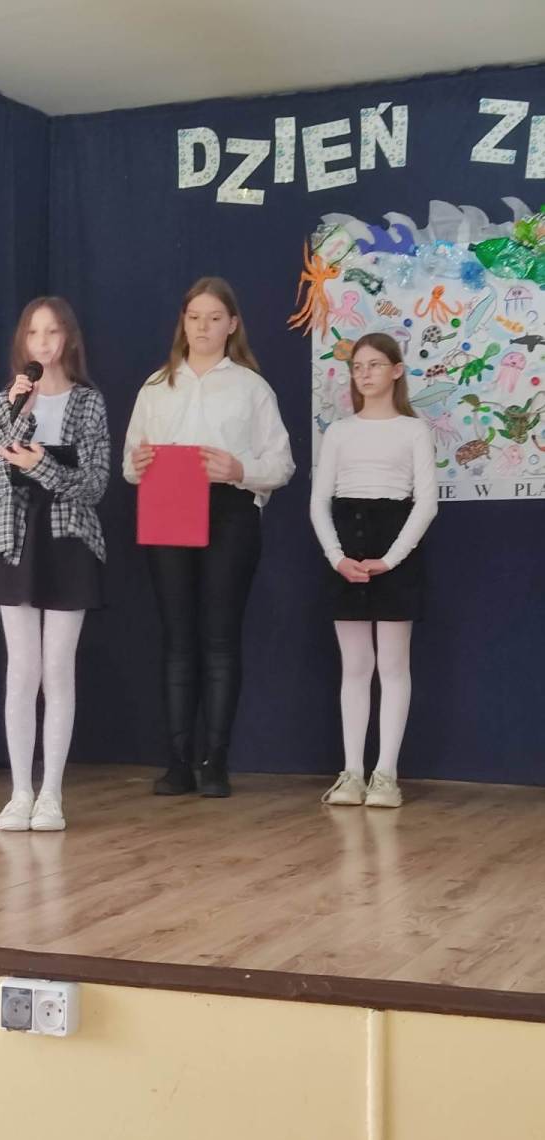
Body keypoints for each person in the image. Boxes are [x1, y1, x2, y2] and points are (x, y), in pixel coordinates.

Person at [123, 276, 294, 798]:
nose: (203, 327)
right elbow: (130, 463)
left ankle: (215, 761)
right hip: (168, 505)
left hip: (229, 511)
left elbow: (282, 464)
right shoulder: (156, 386)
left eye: (214, 318)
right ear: (183, 322)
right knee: (178, 639)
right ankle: (177, 762)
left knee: (219, 639)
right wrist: (138, 464)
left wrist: (240, 469)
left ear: (232, 325)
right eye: (194, 317)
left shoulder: (251, 387)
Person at [0, 297, 109, 832]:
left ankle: (51, 792)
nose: (43, 343)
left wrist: (42, 465)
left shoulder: (89, 403)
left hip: (69, 542)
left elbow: (94, 484)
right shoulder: (6, 400)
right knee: (21, 670)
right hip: (14, 541)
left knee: (57, 668)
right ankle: (19, 791)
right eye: (34, 333)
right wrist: (18, 415)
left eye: (52, 332)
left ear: (68, 338)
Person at [310, 332, 437, 809]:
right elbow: (319, 502)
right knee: (356, 667)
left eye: (375, 365)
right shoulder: (340, 432)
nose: (364, 374)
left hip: (393, 547)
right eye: (358, 367)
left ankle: (386, 774)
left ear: (396, 371)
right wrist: (337, 557)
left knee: (394, 666)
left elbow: (425, 504)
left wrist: (390, 559)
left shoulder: (413, 430)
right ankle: (352, 772)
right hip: (348, 546)